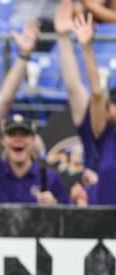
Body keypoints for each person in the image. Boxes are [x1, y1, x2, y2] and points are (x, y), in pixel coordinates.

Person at [55, 0, 116, 204]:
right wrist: (87, 47)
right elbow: (97, 94)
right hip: (100, 224)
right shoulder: (104, 137)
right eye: (114, 104)